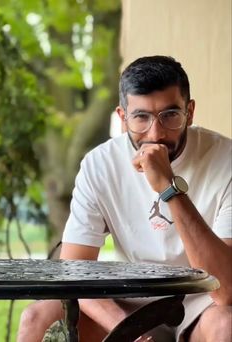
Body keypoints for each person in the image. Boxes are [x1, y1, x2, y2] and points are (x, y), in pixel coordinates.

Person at [18, 56, 232, 342]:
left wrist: (168, 189)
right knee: (36, 318)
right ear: (122, 118)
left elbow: (225, 289)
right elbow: (74, 273)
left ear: (189, 112)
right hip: (129, 303)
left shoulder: (225, 160)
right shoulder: (100, 164)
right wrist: (130, 329)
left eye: (170, 115)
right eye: (141, 117)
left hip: (202, 304)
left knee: (227, 324)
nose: (155, 134)